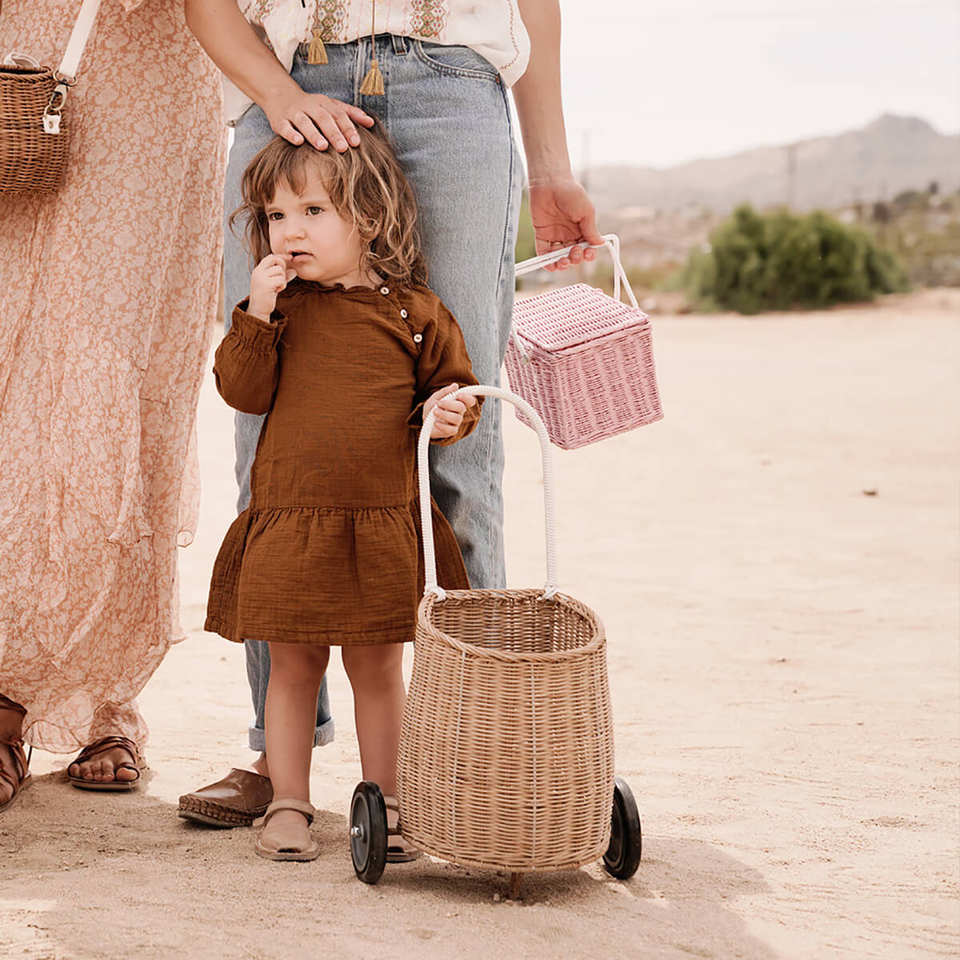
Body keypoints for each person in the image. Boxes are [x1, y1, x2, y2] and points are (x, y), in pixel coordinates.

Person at [179, 0, 600, 827]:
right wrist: (275, 93)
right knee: (269, 442)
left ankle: (467, 751)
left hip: (455, 89)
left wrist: (550, 164)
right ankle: (281, 757)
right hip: (288, 81)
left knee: (459, 445)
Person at [205, 127, 480, 860]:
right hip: (292, 521)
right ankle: (289, 803)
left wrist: (448, 414)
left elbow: (454, 392)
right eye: (275, 215)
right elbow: (243, 391)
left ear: (370, 216)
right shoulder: (281, 312)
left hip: (380, 522)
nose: (289, 231)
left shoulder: (415, 311)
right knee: (293, 667)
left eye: (312, 211)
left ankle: (387, 803)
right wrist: (257, 310)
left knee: (378, 670)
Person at [0, 0, 225, 811]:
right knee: (21, 391)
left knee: (133, 392)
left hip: (154, 89)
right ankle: (7, 690)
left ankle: (106, 697)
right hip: (22, 74)